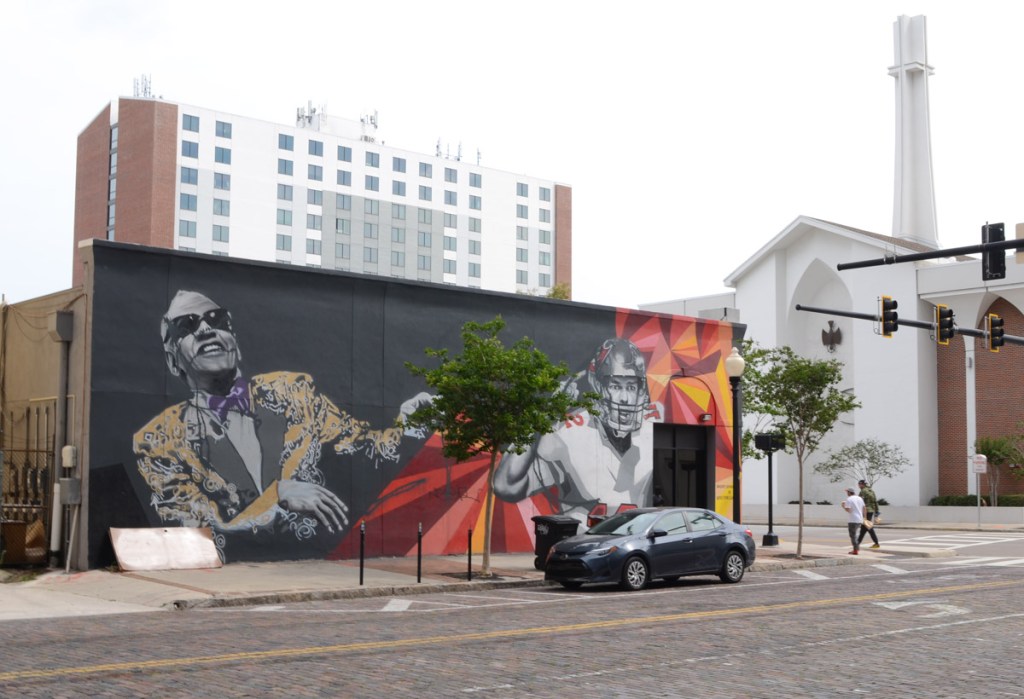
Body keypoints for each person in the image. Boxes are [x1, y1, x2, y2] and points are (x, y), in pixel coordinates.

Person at [133, 290, 430, 560]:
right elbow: (197, 530)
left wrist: (411, 425)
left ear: (234, 341)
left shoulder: (294, 393)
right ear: (173, 362)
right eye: (187, 325)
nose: (206, 329)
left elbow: (364, 447)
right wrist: (276, 498)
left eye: (216, 319)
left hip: (323, 565)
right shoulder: (160, 440)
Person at [493, 337, 659, 524]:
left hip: (632, 544)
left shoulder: (649, 432)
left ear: (640, 389)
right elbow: (506, 486)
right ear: (598, 386)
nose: (625, 398)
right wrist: (545, 415)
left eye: (631, 387)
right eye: (615, 386)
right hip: (582, 543)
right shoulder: (568, 433)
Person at [840, 487, 866, 555]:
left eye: (847, 492)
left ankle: (855, 550)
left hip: (853, 520)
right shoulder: (860, 498)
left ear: (849, 492)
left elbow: (849, 510)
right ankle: (856, 549)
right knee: (854, 535)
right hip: (860, 519)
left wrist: (843, 506)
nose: (847, 493)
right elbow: (864, 508)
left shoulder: (849, 499)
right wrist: (864, 518)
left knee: (853, 535)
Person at [857, 479, 881, 549]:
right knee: (864, 528)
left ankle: (876, 543)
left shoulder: (863, 491)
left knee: (868, 527)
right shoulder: (871, 490)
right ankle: (857, 543)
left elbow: (859, 502)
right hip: (871, 510)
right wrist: (877, 511)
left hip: (865, 511)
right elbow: (875, 501)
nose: (858, 486)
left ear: (862, 484)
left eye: (859, 484)